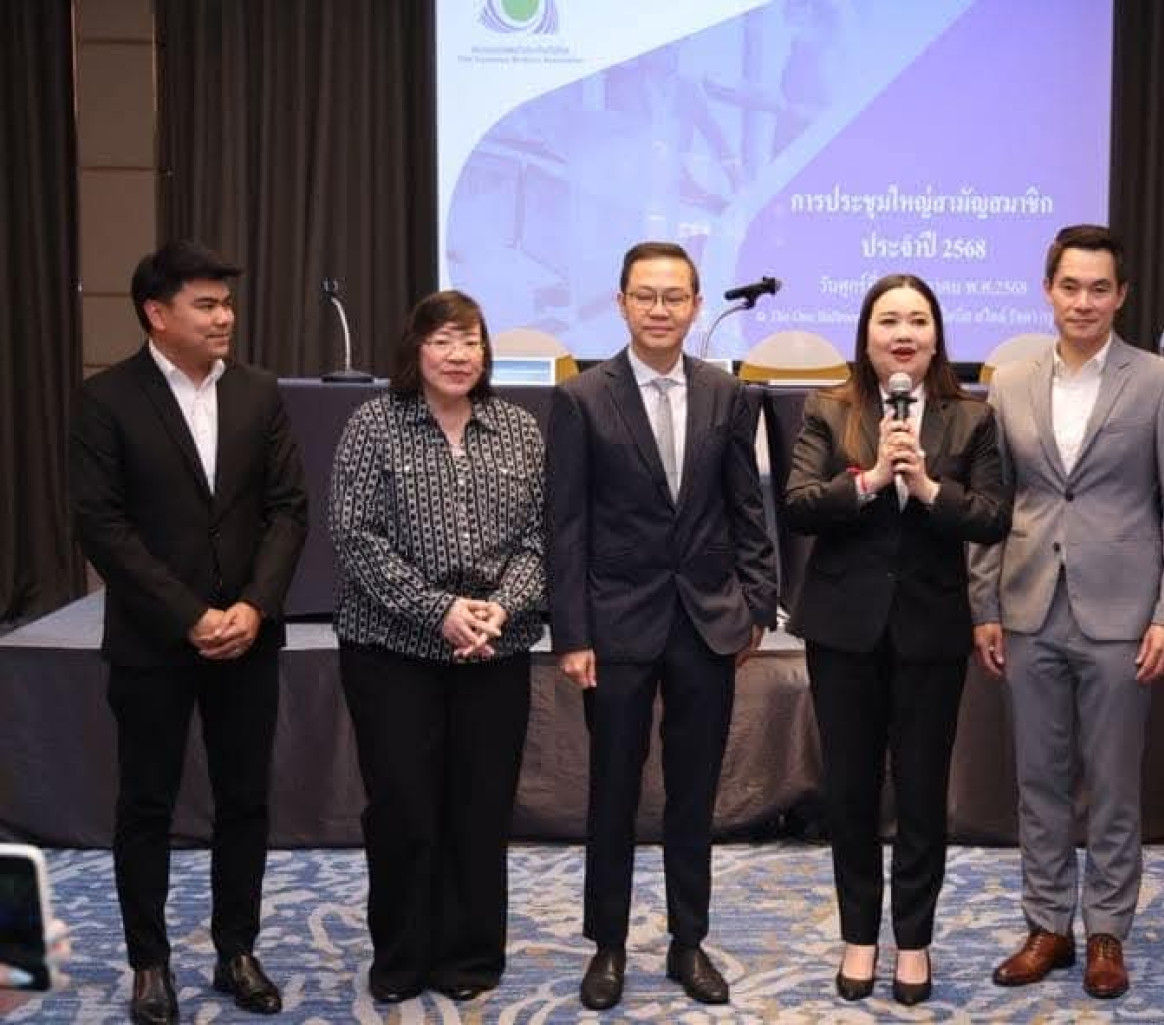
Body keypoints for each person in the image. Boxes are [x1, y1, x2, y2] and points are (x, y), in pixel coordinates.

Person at [70, 241, 307, 1024]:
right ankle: (149, 962)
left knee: (245, 800)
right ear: (157, 313)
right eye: (205, 304)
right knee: (147, 803)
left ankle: (237, 950)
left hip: (248, 636)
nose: (224, 317)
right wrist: (190, 614)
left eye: (226, 303)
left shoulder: (259, 391)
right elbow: (102, 527)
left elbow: (287, 509)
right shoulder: (107, 399)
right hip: (153, 641)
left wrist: (255, 606)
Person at [968, 224, 1164, 999]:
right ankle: (1046, 925)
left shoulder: (1162, 382)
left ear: (1121, 295)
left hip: (1124, 614)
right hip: (1029, 603)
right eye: (1070, 286)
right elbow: (992, 506)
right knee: (1037, 777)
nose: (1083, 301)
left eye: (1099, 288)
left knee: (1112, 782)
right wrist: (984, 602)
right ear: (1048, 290)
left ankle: (1107, 930)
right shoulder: (1009, 383)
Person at [548, 241, 778, 1010]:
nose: (659, 309)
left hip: (706, 623)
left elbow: (748, 508)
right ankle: (608, 944)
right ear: (621, 303)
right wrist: (571, 632)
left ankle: (689, 939)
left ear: (695, 304)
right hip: (615, 625)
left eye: (674, 296)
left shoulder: (727, 393)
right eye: (645, 295)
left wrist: (756, 606)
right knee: (612, 791)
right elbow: (566, 525)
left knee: (694, 791)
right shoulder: (582, 398)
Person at [783, 273, 1008, 1006]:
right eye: (888, 321)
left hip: (930, 629)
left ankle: (913, 940)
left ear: (936, 336)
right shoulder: (829, 409)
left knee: (920, 791)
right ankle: (858, 936)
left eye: (917, 320)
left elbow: (992, 516)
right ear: (867, 334)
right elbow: (800, 505)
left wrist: (931, 489)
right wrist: (875, 478)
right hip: (843, 628)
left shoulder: (970, 418)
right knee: (849, 790)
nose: (903, 334)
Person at [329, 290, 547, 1005]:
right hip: (391, 648)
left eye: (471, 341)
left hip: (496, 647)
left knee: (481, 807)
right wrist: (439, 611)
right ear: (415, 349)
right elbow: (354, 534)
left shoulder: (519, 428)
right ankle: (401, 954)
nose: (459, 355)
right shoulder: (374, 424)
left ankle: (470, 954)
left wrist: (499, 608)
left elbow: (542, 537)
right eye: (443, 341)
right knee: (403, 805)